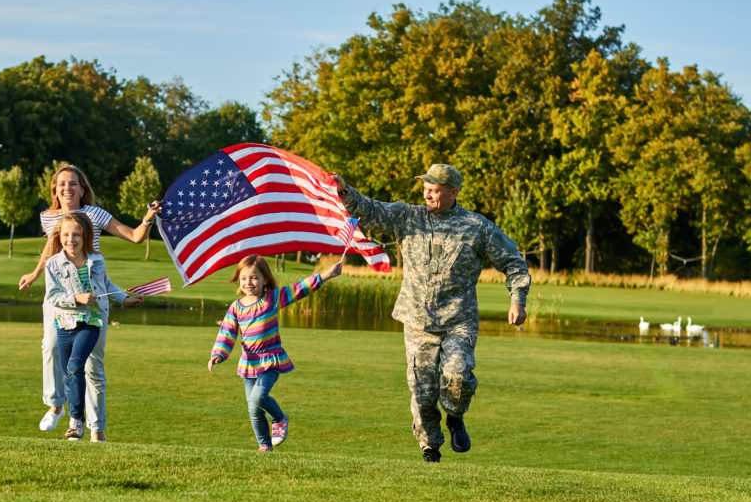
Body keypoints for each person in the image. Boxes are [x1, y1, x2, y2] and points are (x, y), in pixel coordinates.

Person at [333, 164, 531, 463]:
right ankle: (430, 449)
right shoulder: (407, 216)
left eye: (435, 188)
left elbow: (513, 262)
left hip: (458, 320)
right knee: (423, 393)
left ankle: (454, 415)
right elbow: (369, 211)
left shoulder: (477, 227)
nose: (428, 192)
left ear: (453, 192)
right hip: (417, 321)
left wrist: (517, 299)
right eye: (425, 186)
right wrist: (344, 191)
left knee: (457, 376)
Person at [19, 163, 161, 441]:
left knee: (93, 366)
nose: (67, 188)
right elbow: (51, 249)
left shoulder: (93, 213)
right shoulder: (47, 217)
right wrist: (35, 274)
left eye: (73, 183)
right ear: (54, 189)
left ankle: (97, 431)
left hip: (94, 297)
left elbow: (133, 236)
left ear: (82, 189)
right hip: (61, 296)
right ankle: (56, 405)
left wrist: (149, 217)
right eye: (62, 184)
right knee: (49, 347)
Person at [208, 254, 344, 452]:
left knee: (258, 397)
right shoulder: (236, 308)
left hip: (271, 360)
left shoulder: (272, 299)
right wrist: (218, 354)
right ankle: (265, 446)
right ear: (238, 279)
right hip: (249, 363)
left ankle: (279, 418)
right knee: (253, 409)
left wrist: (327, 274)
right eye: (244, 278)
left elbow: (300, 288)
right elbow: (227, 333)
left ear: (265, 280)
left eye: (254, 277)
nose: (249, 282)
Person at [44, 212, 143, 440]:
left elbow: (106, 285)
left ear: (86, 236)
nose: (71, 239)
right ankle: (76, 421)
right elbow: (53, 296)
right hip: (65, 323)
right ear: (59, 237)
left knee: (77, 365)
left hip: (92, 321)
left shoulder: (96, 260)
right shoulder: (53, 264)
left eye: (77, 234)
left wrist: (125, 299)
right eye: (66, 234)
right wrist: (76, 298)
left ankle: (76, 423)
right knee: (69, 373)